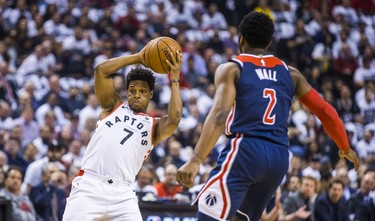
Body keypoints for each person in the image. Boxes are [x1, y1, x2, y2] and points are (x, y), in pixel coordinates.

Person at [176, 11, 360, 221]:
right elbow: (327, 112)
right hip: (279, 158)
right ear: (270, 41)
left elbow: (219, 115)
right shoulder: (291, 74)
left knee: (208, 216)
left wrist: (195, 159)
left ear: (240, 38)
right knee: (238, 218)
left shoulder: (232, 68)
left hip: (246, 150)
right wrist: (345, 147)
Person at [62, 41, 183, 220]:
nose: (136, 94)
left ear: (150, 95)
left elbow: (175, 118)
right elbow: (100, 71)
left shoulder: (154, 126)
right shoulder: (113, 106)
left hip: (123, 193)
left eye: (142, 91)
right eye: (132, 90)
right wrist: (139, 57)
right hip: (90, 185)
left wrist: (174, 79)